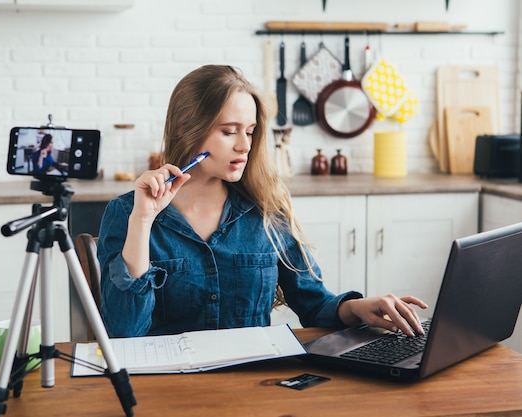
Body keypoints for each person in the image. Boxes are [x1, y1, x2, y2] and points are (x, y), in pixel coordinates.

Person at [96, 65, 427, 338]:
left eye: (250, 131)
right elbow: (125, 335)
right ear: (187, 128)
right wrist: (142, 222)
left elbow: (315, 305)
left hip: (253, 385)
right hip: (167, 389)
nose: (245, 146)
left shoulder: (267, 211)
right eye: (229, 131)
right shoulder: (127, 213)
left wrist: (359, 307)